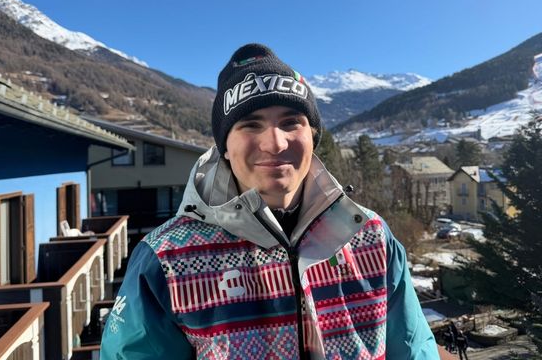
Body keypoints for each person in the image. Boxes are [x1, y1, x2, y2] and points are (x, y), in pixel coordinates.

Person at [100, 43, 438, 359]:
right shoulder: (166, 259)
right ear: (224, 147)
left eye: (291, 123)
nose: (275, 144)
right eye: (251, 125)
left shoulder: (370, 236)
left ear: (313, 136)